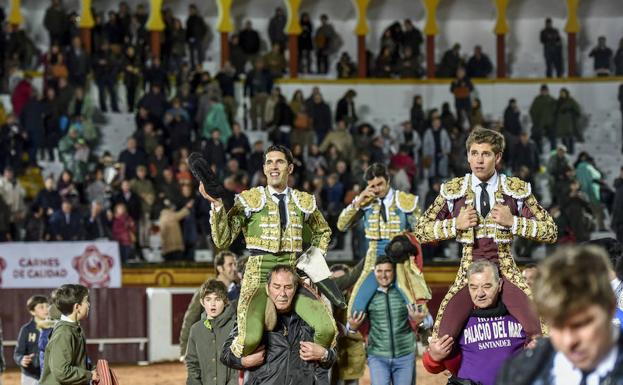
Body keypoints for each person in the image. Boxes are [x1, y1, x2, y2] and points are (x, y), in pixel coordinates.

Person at [413, 128, 557, 343]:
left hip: (505, 271)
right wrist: (455, 225)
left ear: (497, 157)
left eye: (486, 154)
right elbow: (420, 232)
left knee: (538, 331)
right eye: (474, 153)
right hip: (468, 272)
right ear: (468, 156)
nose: (479, 160)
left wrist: (513, 222)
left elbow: (551, 231)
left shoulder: (514, 189)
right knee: (441, 339)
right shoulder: (454, 190)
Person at [200, 145, 343, 358]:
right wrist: (217, 206)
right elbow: (223, 239)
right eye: (269, 162)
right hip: (258, 277)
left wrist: (311, 265)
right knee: (249, 340)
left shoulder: (302, 201)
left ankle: (306, 368)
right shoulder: (250, 200)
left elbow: (323, 232)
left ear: (290, 168)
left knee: (328, 329)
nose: (273, 166)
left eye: (280, 161)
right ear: (264, 169)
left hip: (292, 276)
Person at [497, 245, 623, 384]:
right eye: (557, 326)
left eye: (580, 325)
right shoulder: (518, 373)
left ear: (610, 307)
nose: (569, 341)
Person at [337, 163, 431, 316]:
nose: (377, 189)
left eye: (380, 184)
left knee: (418, 306)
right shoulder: (365, 202)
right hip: (375, 256)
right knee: (355, 309)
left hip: (401, 256)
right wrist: (357, 202)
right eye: (372, 186)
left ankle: (425, 332)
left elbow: (422, 231)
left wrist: (409, 241)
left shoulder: (405, 201)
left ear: (388, 180)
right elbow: (342, 226)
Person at [221, 265, 337, 385]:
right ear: (267, 288)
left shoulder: (310, 317)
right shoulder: (254, 316)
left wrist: (324, 354)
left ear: (296, 288)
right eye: (277, 287)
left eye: (288, 287)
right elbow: (225, 354)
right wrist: (243, 362)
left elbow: (331, 357)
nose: (282, 293)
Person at [423, 261, 526, 385]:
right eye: (474, 287)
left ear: (499, 285)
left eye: (487, 286)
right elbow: (432, 366)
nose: (480, 293)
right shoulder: (458, 321)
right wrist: (434, 357)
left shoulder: (520, 317)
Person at [347, 257, 429, 385]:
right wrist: (352, 328)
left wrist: (420, 322)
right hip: (377, 356)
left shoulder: (404, 293)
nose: (383, 276)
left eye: (387, 271)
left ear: (394, 272)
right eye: (379, 271)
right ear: (374, 273)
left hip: (405, 354)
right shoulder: (367, 296)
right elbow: (350, 328)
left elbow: (428, 322)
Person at [179, 251, 241, 358]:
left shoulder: (239, 290)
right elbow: (190, 319)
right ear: (220, 268)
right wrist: (185, 349)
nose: (234, 268)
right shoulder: (205, 291)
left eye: (235, 264)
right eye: (230, 265)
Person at [40, 284, 98, 385]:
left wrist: (93, 370)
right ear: (77, 307)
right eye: (86, 301)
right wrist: (89, 375)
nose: (88, 304)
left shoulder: (73, 328)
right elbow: (61, 371)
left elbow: (77, 362)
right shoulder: (64, 333)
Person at [185, 280, 237, 385]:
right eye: (208, 299)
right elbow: (192, 364)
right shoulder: (196, 330)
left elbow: (237, 366)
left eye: (217, 299)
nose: (212, 304)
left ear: (226, 301)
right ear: (202, 302)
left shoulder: (234, 327)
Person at [14, 295, 49, 385]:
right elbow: (17, 353)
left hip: (49, 375)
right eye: (41, 307)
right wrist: (21, 359)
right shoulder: (26, 329)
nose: (46, 309)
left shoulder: (54, 328)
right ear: (32, 311)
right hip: (30, 375)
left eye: (47, 306)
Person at [529, 84, 556, 152]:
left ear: (547, 91)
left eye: (545, 91)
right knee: (538, 138)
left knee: (553, 139)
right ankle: (539, 153)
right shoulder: (537, 100)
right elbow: (532, 111)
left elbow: (556, 111)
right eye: (542, 91)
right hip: (539, 124)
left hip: (550, 124)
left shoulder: (552, 100)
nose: (544, 92)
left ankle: (553, 153)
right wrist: (535, 121)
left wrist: (553, 120)